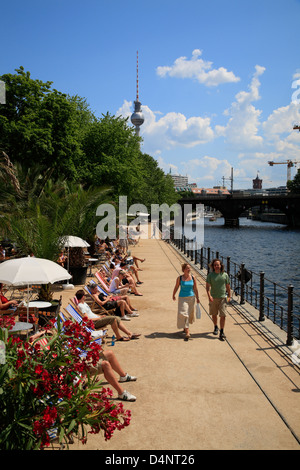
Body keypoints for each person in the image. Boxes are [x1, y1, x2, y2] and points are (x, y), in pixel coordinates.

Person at [75, 290, 141, 341]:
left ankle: (129, 333)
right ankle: (119, 337)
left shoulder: (84, 303)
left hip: (97, 319)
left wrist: (99, 315)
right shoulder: (81, 306)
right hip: (94, 323)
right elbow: (87, 319)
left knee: (117, 318)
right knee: (113, 319)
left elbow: (91, 314)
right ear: (83, 296)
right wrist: (100, 317)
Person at [172, 263, 200, 340]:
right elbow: (176, 286)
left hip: (191, 298)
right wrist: (173, 294)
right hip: (182, 298)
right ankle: (187, 332)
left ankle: (185, 327)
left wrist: (197, 298)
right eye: (187, 268)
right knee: (184, 313)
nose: (189, 269)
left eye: (189, 268)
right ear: (184, 269)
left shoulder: (193, 277)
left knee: (189, 313)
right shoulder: (180, 278)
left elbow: (195, 288)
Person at [206, 258, 231, 341]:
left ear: (221, 266)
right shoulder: (210, 275)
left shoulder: (225, 275)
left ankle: (222, 331)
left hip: (223, 298)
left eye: (218, 265)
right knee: (214, 314)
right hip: (213, 297)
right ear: (213, 266)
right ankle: (216, 326)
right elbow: (207, 287)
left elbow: (228, 286)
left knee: (223, 315)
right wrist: (209, 296)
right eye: (215, 265)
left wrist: (229, 296)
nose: (217, 266)